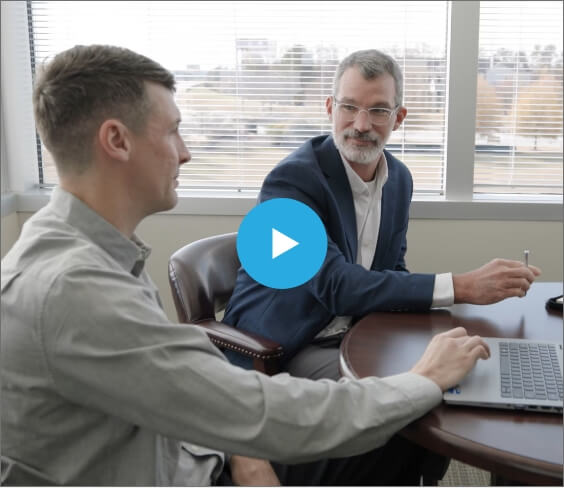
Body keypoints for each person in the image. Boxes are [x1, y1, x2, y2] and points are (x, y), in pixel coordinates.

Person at [1, 44, 491, 486]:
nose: (187, 152)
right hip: (265, 372)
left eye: (377, 110)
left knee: (405, 432)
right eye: (173, 131)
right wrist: (421, 379)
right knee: (406, 424)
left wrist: (235, 446)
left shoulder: (96, 255)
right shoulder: (73, 290)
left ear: (396, 118)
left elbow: (183, 387)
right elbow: (254, 400)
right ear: (117, 141)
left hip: (191, 446)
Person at [223, 49, 541, 380]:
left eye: (377, 110)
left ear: (398, 118)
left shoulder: (398, 179)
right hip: (286, 346)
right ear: (331, 108)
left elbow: (393, 271)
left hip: (361, 332)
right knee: (417, 389)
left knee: (470, 367)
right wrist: (461, 287)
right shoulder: (292, 181)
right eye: (349, 107)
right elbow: (336, 286)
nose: (361, 125)